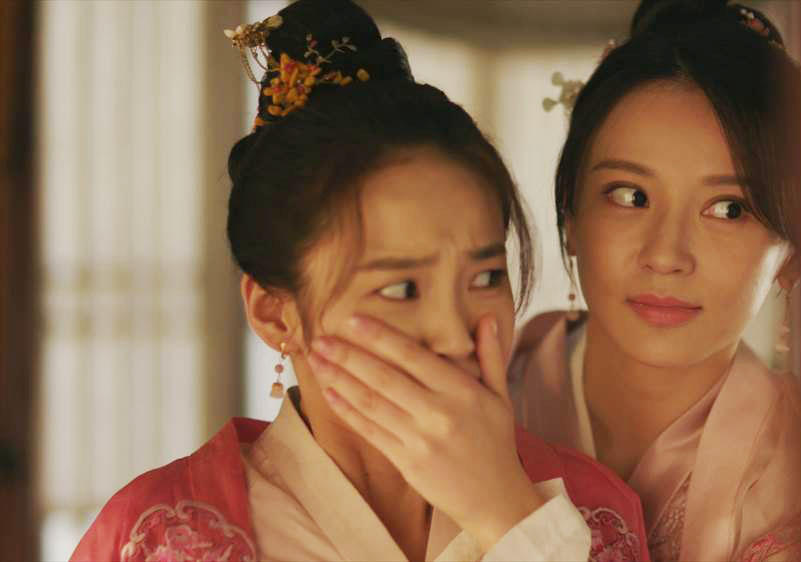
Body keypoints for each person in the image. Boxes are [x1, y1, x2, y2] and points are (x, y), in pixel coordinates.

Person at [70, 1, 648, 560]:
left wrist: (507, 518)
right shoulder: (158, 536)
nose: (454, 335)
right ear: (275, 313)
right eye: (401, 289)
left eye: (487, 276)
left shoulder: (594, 512)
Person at [509, 1, 801, 560]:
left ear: (791, 253)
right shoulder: (482, 398)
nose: (666, 256)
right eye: (630, 195)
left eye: (729, 209)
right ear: (571, 215)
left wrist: (498, 508)